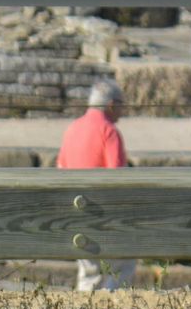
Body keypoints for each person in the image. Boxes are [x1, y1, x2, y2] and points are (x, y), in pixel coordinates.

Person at [56, 79, 137, 291]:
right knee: (125, 261)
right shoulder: (109, 131)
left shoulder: (72, 129)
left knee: (88, 270)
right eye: (121, 106)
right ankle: (114, 307)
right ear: (111, 105)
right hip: (102, 215)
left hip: (75, 216)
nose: (122, 111)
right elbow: (117, 178)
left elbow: (61, 168)